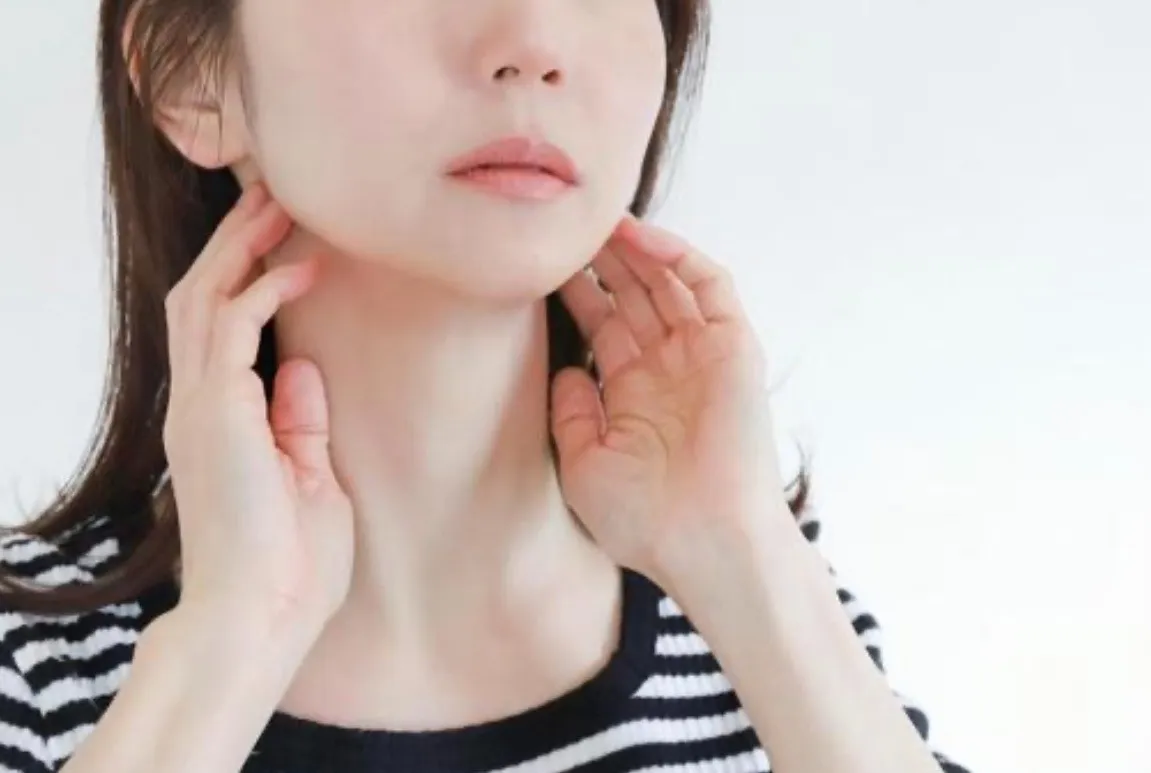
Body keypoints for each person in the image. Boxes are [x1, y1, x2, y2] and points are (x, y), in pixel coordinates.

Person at [0, 2, 972, 772]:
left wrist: (748, 568)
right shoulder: (35, 671)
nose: (533, 43)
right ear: (188, 76)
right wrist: (226, 647)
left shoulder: (777, 631)